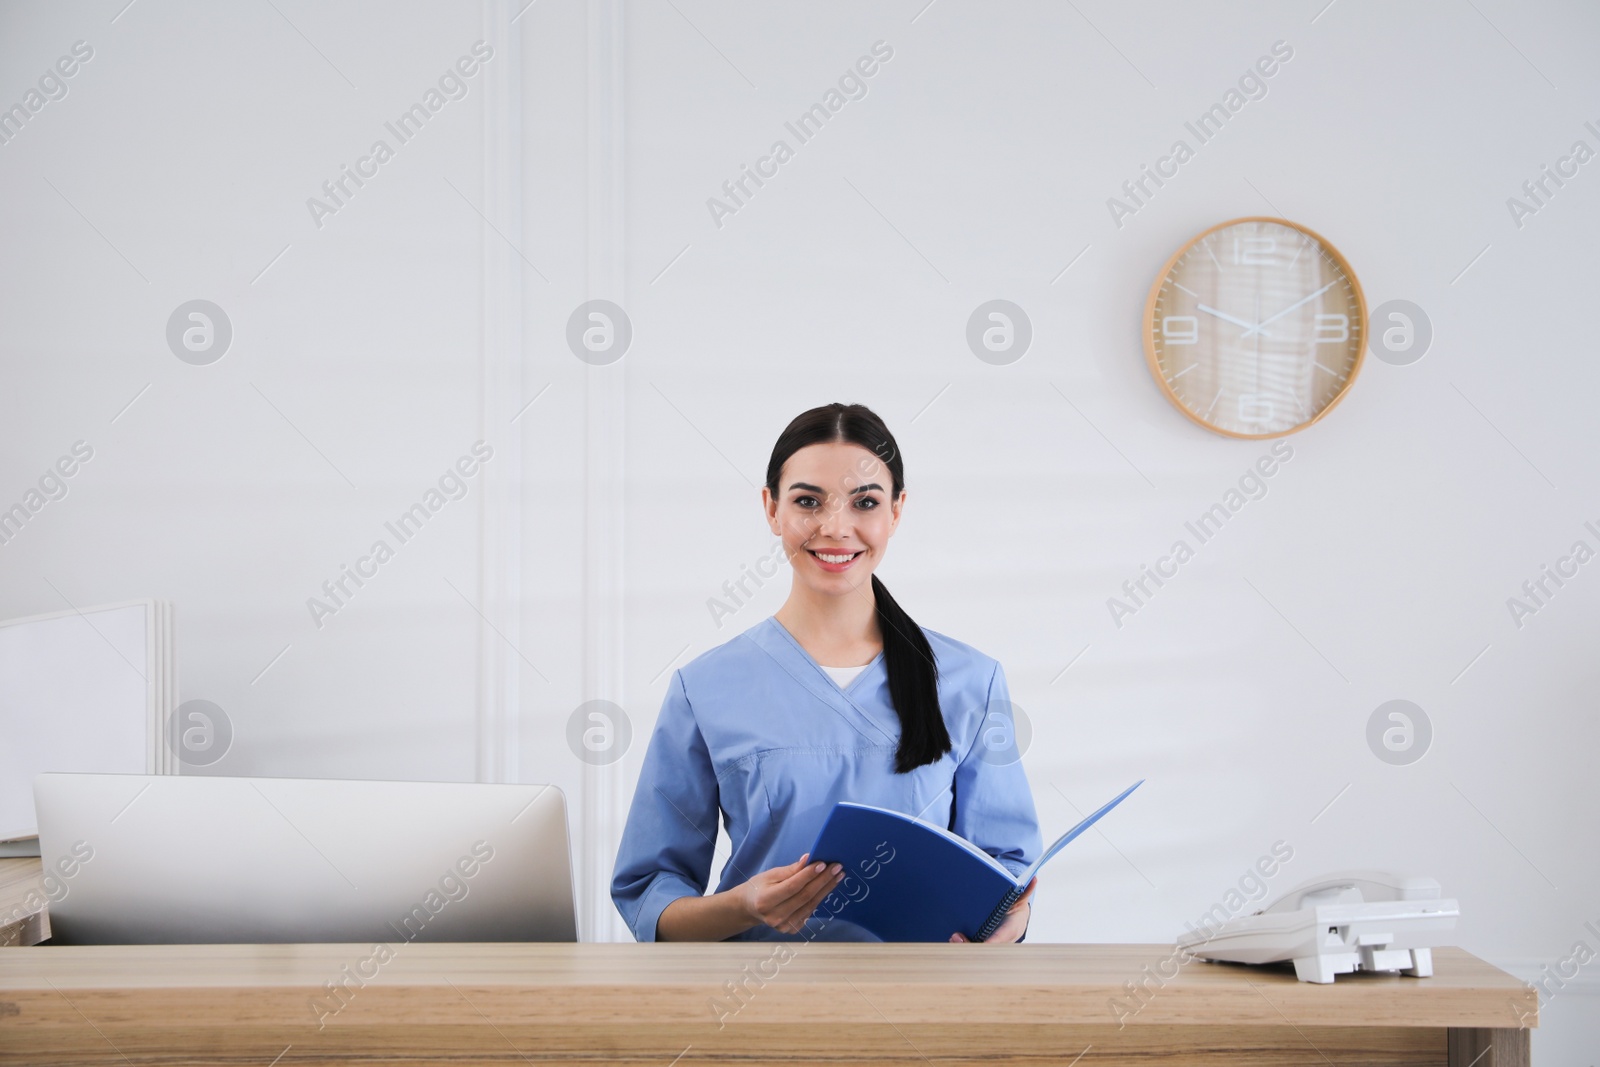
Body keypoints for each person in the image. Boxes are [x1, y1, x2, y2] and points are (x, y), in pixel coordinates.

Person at [610, 402, 1042, 942]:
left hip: (925, 1009)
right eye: (808, 502)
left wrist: (1008, 923)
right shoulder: (706, 688)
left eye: (865, 502)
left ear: (897, 511)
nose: (836, 528)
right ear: (771, 509)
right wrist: (744, 905)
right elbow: (650, 893)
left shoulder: (970, 681)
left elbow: (1007, 875)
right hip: (755, 1009)